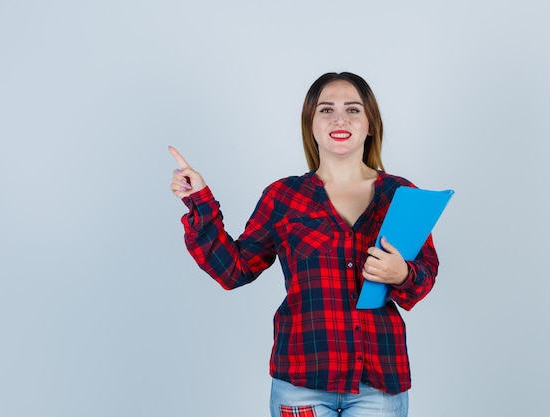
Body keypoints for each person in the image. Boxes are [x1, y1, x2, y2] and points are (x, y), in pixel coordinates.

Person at [169, 72, 439, 417]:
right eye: (326, 110)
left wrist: (402, 273)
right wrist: (200, 202)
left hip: (379, 385)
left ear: (370, 124)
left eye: (353, 109)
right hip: (301, 384)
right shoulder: (284, 197)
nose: (340, 118)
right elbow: (234, 270)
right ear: (310, 124)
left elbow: (425, 276)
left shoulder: (402, 195)